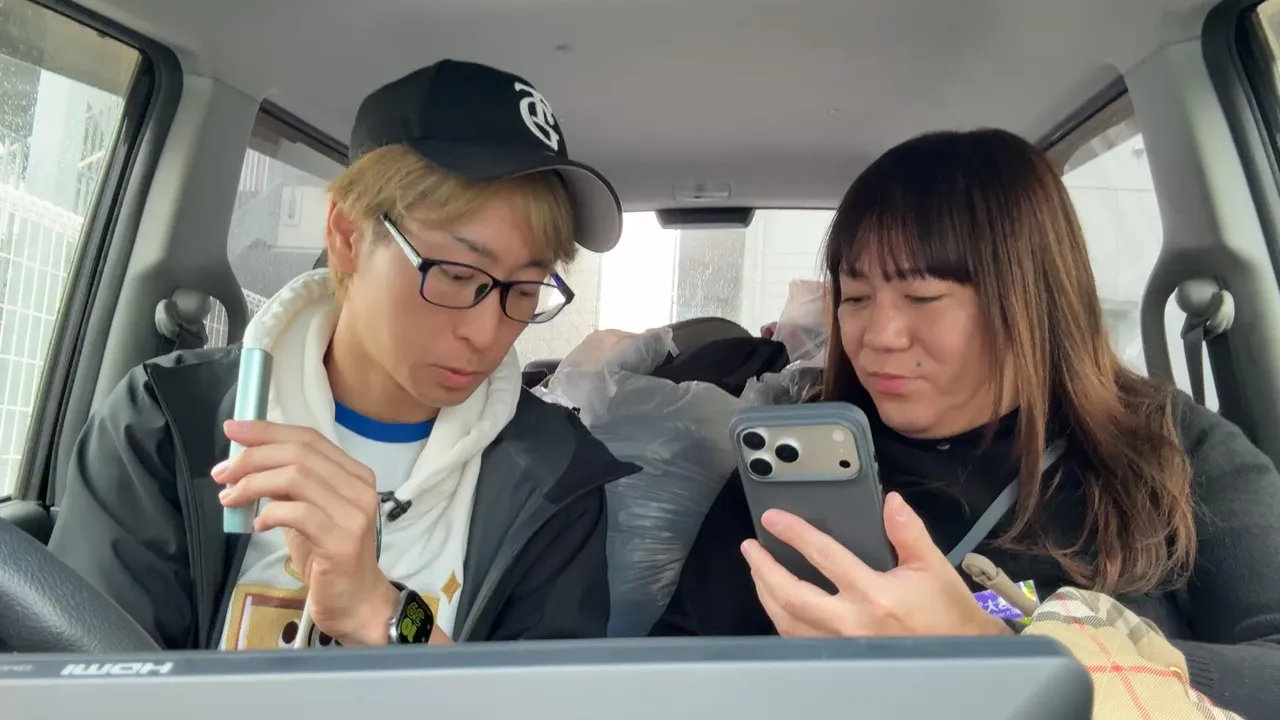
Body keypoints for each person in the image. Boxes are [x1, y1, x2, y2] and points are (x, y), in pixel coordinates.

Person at [650, 128, 1280, 718]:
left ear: (1031, 298)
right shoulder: (794, 469)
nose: (879, 336)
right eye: (855, 297)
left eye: (923, 297)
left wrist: (999, 653)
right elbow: (666, 674)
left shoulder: (1173, 449)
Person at [49, 59, 638, 650]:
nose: (488, 332)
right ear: (348, 236)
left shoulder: (556, 476)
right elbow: (90, 677)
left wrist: (383, 613)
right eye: (457, 275)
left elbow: (540, 696)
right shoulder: (166, 424)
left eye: (526, 289)